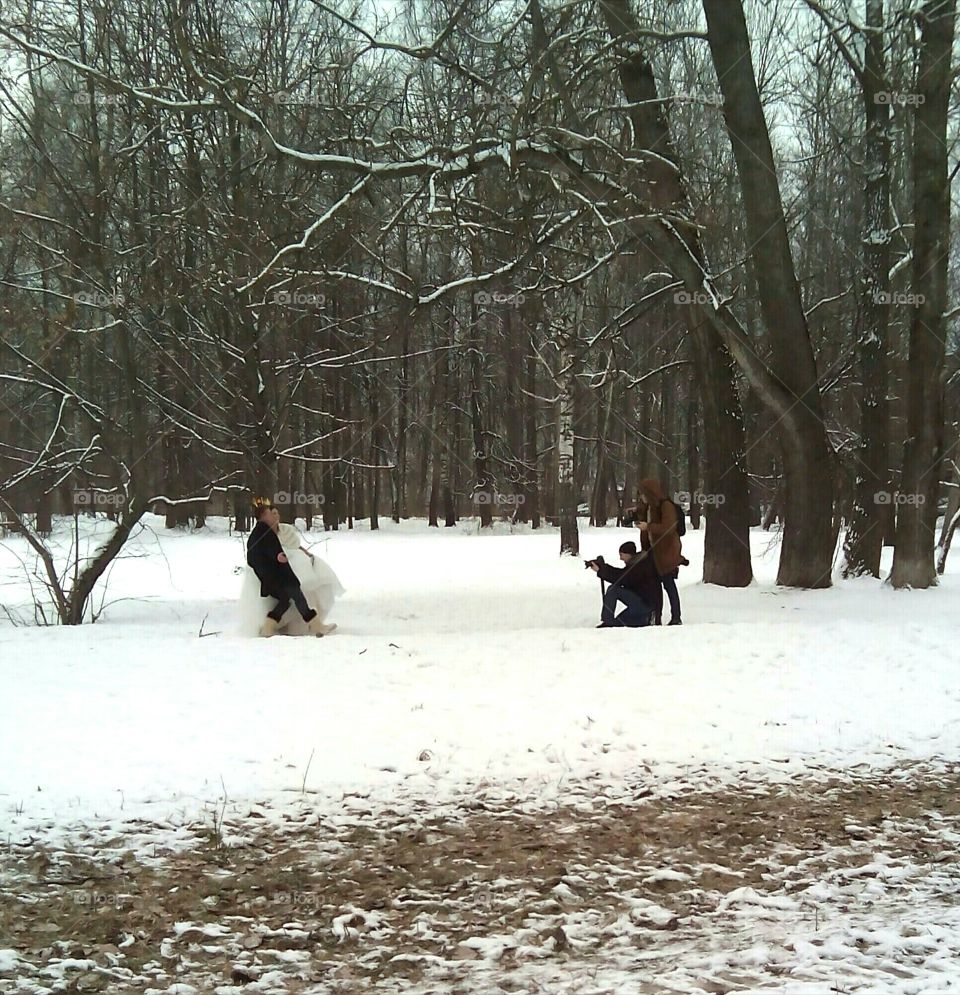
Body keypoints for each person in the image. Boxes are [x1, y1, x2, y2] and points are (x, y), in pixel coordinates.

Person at [243, 498, 339, 637]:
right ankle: (318, 626)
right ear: (264, 515)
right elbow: (261, 552)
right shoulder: (263, 532)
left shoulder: (261, 531)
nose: (274, 516)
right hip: (279, 576)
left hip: (273, 576)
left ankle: (267, 628)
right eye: (271, 513)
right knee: (298, 597)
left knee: (285, 600)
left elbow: (258, 553)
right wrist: (276, 557)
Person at [634, 478, 687, 625]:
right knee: (655, 586)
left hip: (666, 552)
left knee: (669, 584)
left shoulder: (666, 506)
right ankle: (656, 616)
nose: (641, 498)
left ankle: (676, 616)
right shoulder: (650, 507)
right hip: (654, 551)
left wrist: (648, 527)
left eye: (643, 494)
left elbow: (668, 528)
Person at [586, 541, 660, 628]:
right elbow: (622, 574)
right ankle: (610, 622)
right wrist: (603, 568)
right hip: (642, 605)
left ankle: (608, 620)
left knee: (613, 590)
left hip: (644, 607)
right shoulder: (638, 563)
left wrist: (601, 570)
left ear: (628, 554)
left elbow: (621, 577)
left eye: (621, 555)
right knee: (617, 622)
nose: (621, 558)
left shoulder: (639, 566)